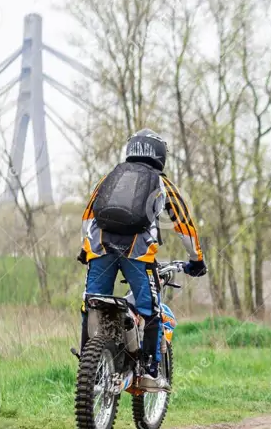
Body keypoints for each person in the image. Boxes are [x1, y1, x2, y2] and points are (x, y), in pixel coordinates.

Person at [78, 129, 206, 387]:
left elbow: (88, 214)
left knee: (92, 304)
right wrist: (196, 259)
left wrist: (86, 248)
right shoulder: (160, 181)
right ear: (160, 155)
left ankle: (85, 361)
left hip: (100, 249)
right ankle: (149, 369)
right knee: (150, 308)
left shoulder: (111, 177)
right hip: (136, 253)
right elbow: (183, 223)